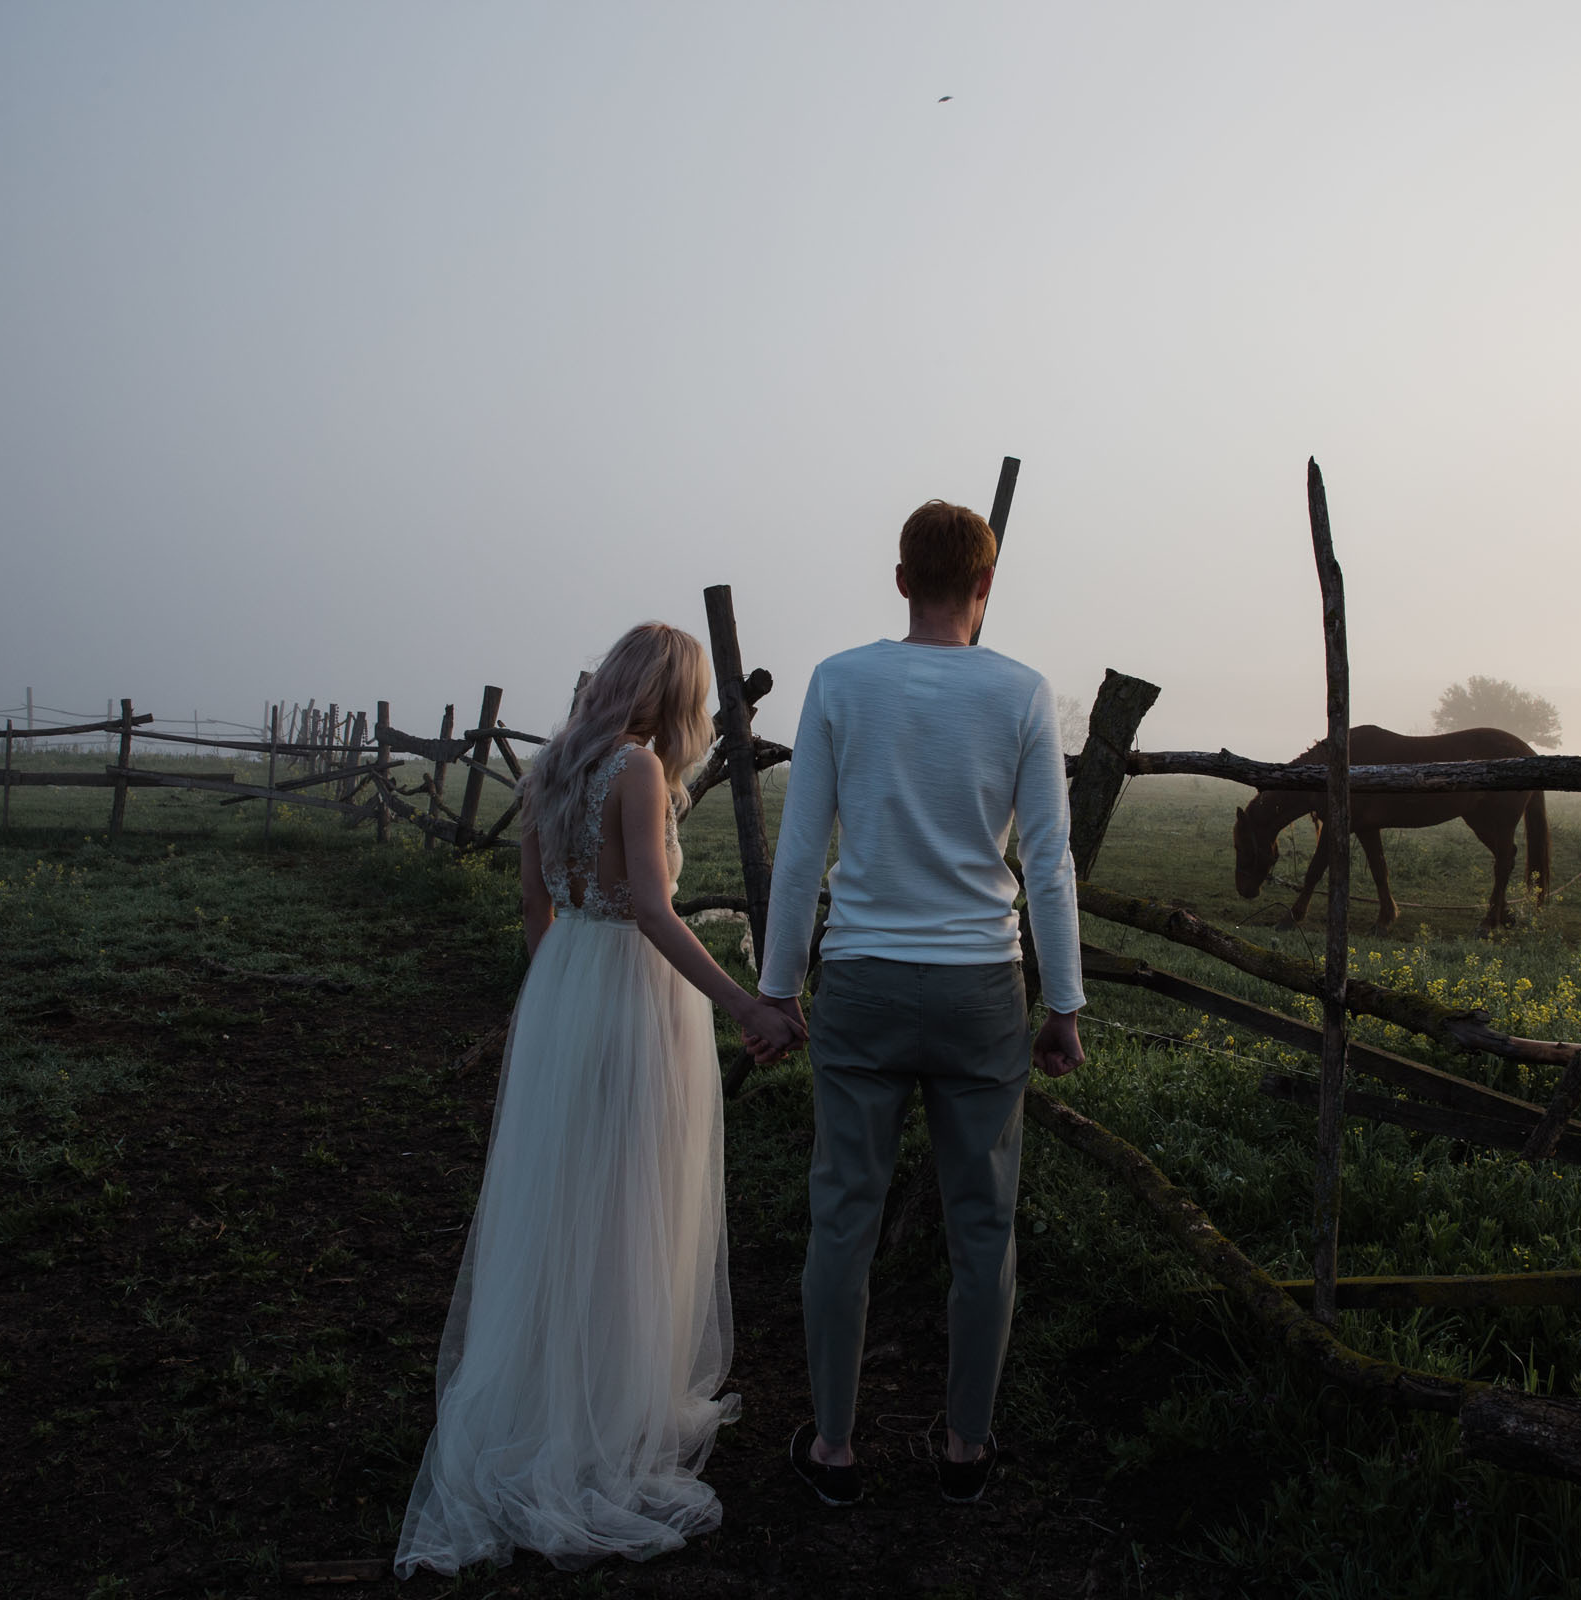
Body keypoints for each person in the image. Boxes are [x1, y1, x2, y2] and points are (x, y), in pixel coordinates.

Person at [396, 622, 804, 1575]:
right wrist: (743, 1003)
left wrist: (563, 1002)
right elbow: (656, 913)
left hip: (566, 987)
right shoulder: (637, 772)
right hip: (628, 990)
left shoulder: (549, 770)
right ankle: (610, 1403)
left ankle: (557, 1384)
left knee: (565, 1191)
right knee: (633, 1191)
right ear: (674, 694)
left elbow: (537, 913)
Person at [758, 499, 1086, 1509]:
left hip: (858, 980)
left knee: (843, 1216)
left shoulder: (840, 683)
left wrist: (778, 986)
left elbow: (803, 847)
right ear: (984, 588)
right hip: (981, 990)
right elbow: (1050, 865)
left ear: (901, 580)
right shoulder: (1023, 694)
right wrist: (1063, 1000)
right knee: (983, 1225)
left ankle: (835, 1449)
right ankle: (964, 1446)